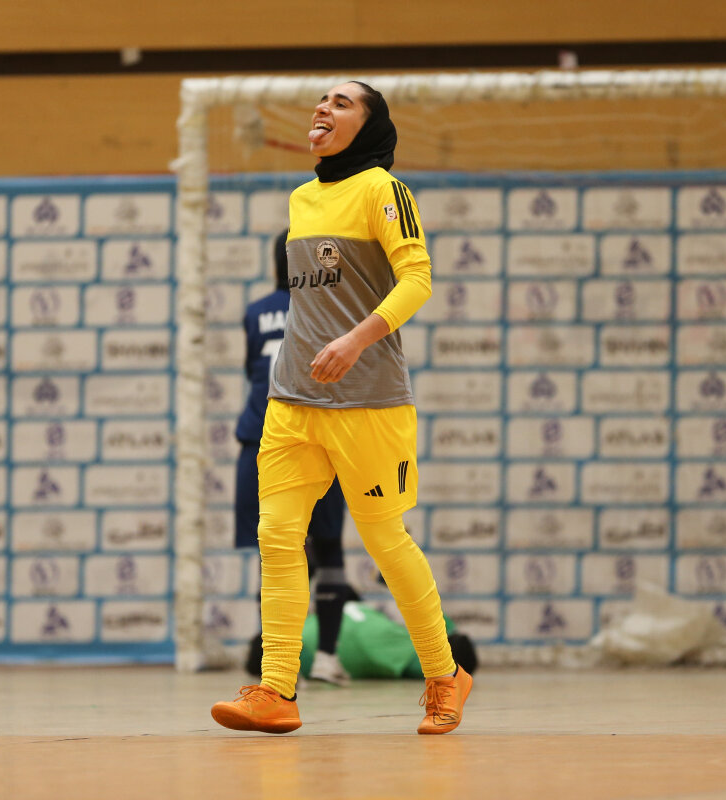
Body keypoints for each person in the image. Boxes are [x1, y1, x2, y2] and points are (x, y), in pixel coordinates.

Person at [211, 80, 472, 735]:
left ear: (369, 126)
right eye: (322, 100)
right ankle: (277, 689)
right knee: (278, 539)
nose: (323, 108)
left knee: (385, 542)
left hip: (368, 402)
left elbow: (418, 278)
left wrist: (356, 340)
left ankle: (445, 676)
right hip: (292, 400)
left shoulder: (384, 190)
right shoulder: (302, 199)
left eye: (342, 102)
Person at [236, 230, 356, 687]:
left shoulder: (254, 313)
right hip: (315, 437)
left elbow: (252, 368)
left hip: (261, 440)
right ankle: (325, 658)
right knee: (328, 551)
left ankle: (281, 671)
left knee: (276, 552)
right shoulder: (330, 307)